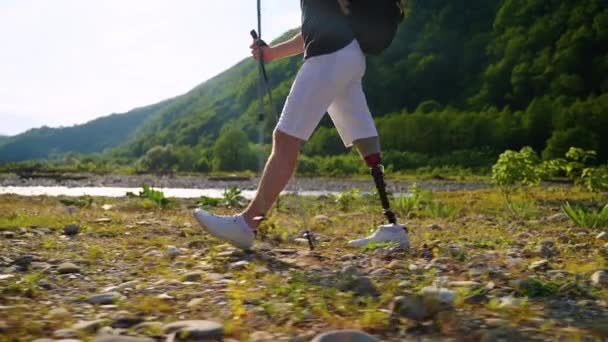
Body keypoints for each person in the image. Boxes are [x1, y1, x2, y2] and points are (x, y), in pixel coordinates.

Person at [194, 0, 409, 250]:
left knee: (285, 139)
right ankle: (393, 227)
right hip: (349, 56)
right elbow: (314, 28)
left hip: (329, 56)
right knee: (365, 139)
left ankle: (245, 225)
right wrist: (272, 53)